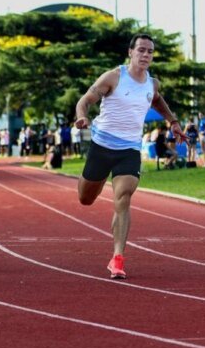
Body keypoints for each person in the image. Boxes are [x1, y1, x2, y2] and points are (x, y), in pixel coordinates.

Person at [73, 34, 181, 280]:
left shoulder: (152, 83)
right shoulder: (113, 77)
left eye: (150, 52)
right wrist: (81, 116)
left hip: (129, 150)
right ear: (130, 52)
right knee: (86, 198)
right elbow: (86, 100)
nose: (146, 55)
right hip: (101, 146)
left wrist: (172, 121)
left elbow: (157, 100)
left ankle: (118, 257)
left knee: (123, 197)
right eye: (141, 50)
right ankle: (95, 180)